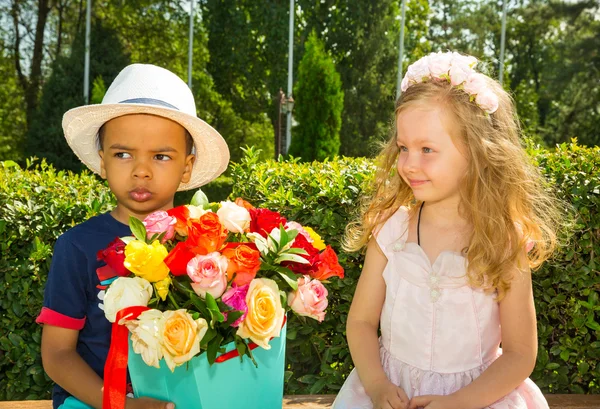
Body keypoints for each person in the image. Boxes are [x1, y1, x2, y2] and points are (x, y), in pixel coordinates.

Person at [333, 52, 563, 409]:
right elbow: (361, 322)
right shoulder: (391, 231)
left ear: (478, 153)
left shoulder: (502, 242)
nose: (409, 164)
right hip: (392, 394)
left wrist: (458, 402)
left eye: (427, 149)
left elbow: (519, 353)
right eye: (404, 148)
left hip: (478, 397)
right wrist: (377, 385)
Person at [36, 63, 230, 409]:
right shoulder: (76, 246)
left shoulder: (205, 247)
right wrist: (119, 405)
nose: (141, 170)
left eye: (160, 156)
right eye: (123, 154)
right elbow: (57, 354)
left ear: (186, 167)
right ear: (102, 163)